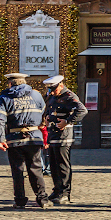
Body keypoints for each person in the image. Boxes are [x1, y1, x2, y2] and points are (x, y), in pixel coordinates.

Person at [0, 72, 48, 209]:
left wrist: (0, 139)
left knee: (17, 170)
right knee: (36, 169)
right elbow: (44, 112)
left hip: (14, 138)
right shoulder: (36, 95)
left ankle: (20, 200)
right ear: (24, 82)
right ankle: (42, 199)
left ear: (10, 83)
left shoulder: (5, 97)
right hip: (34, 137)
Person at [41, 74, 86, 205]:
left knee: (63, 165)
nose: (52, 92)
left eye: (54, 89)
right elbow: (48, 109)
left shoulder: (69, 96)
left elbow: (82, 110)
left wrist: (67, 121)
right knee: (53, 165)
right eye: (51, 90)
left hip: (64, 135)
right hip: (53, 134)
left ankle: (65, 193)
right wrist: (46, 118)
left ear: (61, 85)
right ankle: (57, 190)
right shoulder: (51, 96)